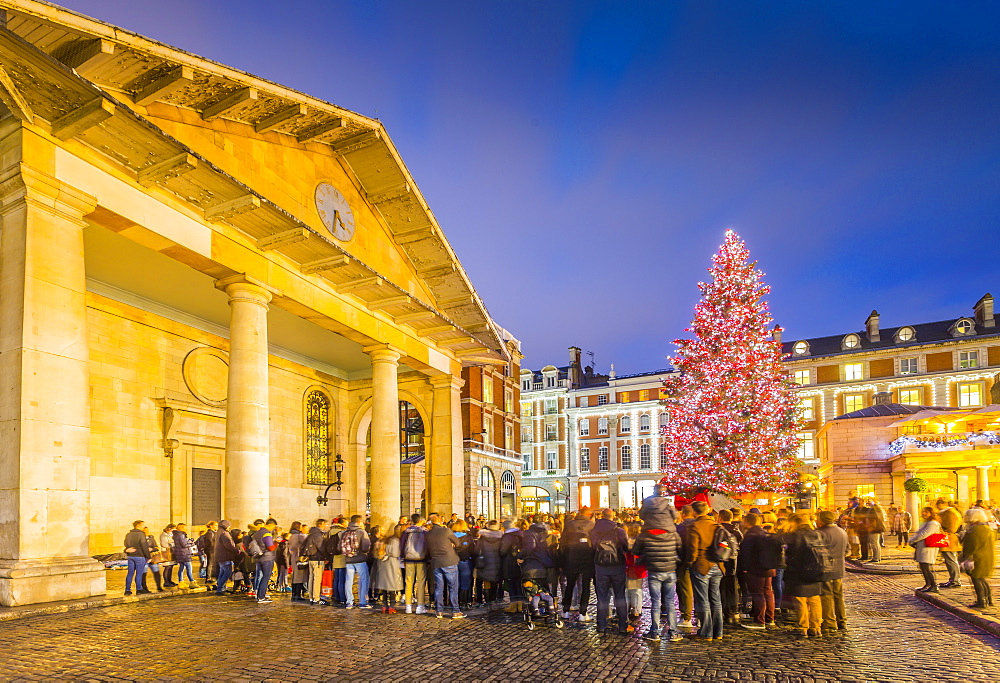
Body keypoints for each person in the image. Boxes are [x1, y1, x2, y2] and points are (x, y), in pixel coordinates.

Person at [632, 505, 683, 643]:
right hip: (670, 570)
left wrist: (645, 555)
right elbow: (681, 550)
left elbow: (636, 550)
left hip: (654, 570)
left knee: (655, 602)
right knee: (670, 602)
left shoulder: (645, 534)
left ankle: (654, 632)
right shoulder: (673, 533)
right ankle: (673, 631)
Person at [783, 514, 826, 638]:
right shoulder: (817, 534)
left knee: (800, 600)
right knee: (814, 600)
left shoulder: (796, 536)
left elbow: (791, 554)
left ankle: (803, 628)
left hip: (799, 571)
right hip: (816, 570)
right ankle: (816, 627)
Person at [687, 501, 724, 641]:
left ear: (694, 512)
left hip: (702, 564)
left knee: (703, 600)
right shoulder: (716, 525)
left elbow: (692, 550)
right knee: (716, 599)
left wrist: (689, 563)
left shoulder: (695, 526)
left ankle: (706, 633)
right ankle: (718, 632)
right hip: (718, 565)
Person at [590, 508, 630, 635]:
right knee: (620, 596)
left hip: (601, 567)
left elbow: (592, 548)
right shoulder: (620, 531)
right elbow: (626, 547)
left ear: (602, 516)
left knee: (602, 598)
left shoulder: (594, 532)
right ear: (613, 517)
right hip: (617, 566)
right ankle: (622, 625)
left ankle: (601, 625)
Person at [737, 512, 780, 630]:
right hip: (769, 567)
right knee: (768, 592)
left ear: (747, 521)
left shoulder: (750, 535)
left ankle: (759, 620)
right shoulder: (765, 533)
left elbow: (746, 554)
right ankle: (769, 618)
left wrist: (744, 568)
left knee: (758, 593)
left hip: (756, 569)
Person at [426, 512, 464, 619]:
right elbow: (457, 543)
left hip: (436, 562)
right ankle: (455, 611)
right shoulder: (446, 530)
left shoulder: (428, 533)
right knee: (453, 587)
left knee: (439, 588)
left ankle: (439, 611)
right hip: (449, 561)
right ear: (439, 520)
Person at [560, 509, 595, 622]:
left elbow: (562, 544)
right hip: (587, 559)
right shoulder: (591, 525)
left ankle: (565, 611)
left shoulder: (569, 525)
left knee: (570, 585)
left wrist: (564, 560)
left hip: (571, 559)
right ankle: (583, 613)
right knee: (585, 586)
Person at [816, 510, 848, 632]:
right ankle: (842, 620)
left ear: (822, 520)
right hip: (839, 568)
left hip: (825, 569)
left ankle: (829, 621)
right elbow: (847, 550)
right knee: (838, 596)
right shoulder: (842, 532)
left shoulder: (821, 533)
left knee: (827, 595)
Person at [960, 508, 995, 608]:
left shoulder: (975, 530)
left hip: (977, 557)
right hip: (984, 556)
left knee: (977, 578)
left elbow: (971, 545)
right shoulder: (985, 528)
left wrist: (965, 558)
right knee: (981, 578)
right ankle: (988, 599)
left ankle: (981, 601)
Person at [338, 514, 372, 609]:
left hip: (348, 560)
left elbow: (339, 547)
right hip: (360, 559)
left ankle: (349, 602)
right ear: (359, 522)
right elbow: (366, 547)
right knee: (364, 579)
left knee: (349, 581)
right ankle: (362, 601)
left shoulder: (344, 532)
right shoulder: (362, 532)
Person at [717, 509, 743, 625]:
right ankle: (731, 613)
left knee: (720, 588)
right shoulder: (736, 531)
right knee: (732, 588)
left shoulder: (718, 529)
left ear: (720, 517)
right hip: (733, 562)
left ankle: (721, 611)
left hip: (721, 562)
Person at [400, 514, 429, 613]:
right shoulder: (424, 531)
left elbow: (402, 545)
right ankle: (420, 606)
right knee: (421, 583)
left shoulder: (406, 531)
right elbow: (427, 546)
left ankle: (408, 606)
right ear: (420, 520)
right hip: (421, 558)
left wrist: (402, 558)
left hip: (409, 558)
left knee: (408, 582)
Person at [909, 507, 942, 594]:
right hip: (923, 547)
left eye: (926, 512)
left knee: (927, 567)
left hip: (928, 548)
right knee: (923, 567)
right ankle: (928, 584)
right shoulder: (927, 523)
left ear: (931, 513)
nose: (923, 513)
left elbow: (924, 534)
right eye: (923, 512)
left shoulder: (933, 523)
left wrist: (912, 540)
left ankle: (933, 585)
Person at [675, 505, 697, 628]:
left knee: (685, 591)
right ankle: (700, 617)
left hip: (683, 562)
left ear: (683, 514)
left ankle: (686, 617)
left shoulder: (679, 528)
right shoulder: (699, 526)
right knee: (700, 591)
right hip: (699, 562)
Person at [373, 524, 404, 613]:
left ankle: (384, 606)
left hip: (382, 564)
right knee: (392, 585)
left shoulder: (382, 540)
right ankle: (392, 606)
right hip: (391, 564)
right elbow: (395, 553)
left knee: (384, 586)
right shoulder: (394, 540)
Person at [935, 499, 964, 589]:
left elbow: (952, 527)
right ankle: (953, 579)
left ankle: (955, 580)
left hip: (949, 539)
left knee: (951, 560)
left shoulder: (950, 512)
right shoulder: (947, 512)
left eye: (938, 504)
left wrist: (943, 532)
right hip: (947, 538)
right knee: (950, 560)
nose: (937, 506)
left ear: (944, 503)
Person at [474, 520, 504, 606]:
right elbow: (503, 550)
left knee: (485, 580)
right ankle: (492, 599)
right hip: (497, 562)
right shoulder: (501, 537)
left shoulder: (483, 537)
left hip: (484, 562)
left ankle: (486, 600)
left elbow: (476, 551)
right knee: (495, 581)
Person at [251, 518, 279, 604]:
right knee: (265, 577)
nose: (273, 528)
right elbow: (270, 547)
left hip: (258, 557)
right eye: (274, 526)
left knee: (260, 576)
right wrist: (276, 543)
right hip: (267, 558)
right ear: (270, 525)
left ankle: (259, 594)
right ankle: (261, 597)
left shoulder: (257, 533)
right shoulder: (266, 533)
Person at [302, 519, 330, 605]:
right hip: (318, 559)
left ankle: (312, 596)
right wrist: (327, 557)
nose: (327, 526)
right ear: (321, 524)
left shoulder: (311, 534)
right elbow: (321, 547)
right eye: (325, 524)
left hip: (311, 559)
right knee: (317, 579)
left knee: (311, 578)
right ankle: (316, 598)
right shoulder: (318, 535)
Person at [500, 519, 525, 613]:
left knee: (511, 584)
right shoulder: (520, 533)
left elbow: (503, 550)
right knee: (518, 583)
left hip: (510, 562)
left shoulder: (508, 536)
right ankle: (520, 605)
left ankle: (513, 606)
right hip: (520, 562)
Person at [451, 520, 475, 609]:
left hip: (453, 561)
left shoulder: (450, 537)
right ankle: (464, 601)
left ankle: (455, 601)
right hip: (465, 561)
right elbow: (473, 550)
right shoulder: (468, 537)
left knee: (454, 582)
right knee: (465, 582)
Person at [123, 520, 151, 596]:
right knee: (139, 573)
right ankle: (139, 589)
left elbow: (126, 544)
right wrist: (148, 556)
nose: (144, 526)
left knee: (130, 573)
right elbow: (144, 545)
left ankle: (127, 590)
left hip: (131, 556)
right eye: (143, 525)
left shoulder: (128, 534)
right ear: (138, 525)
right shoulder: (141, 534)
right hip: (139, 555)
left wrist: (128, 550)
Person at [213, 520, 238, 595]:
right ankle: (220, 588)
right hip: (225, 556)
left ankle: (221, 587)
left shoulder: (219, 532)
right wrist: (236, 551)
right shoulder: (224, 533)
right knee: (227, 572)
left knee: (222, 572)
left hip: (220, 556)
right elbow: (228, 545)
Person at [286, 521, 308, 601]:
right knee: (299, 577)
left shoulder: (291, 535)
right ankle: (297, 595)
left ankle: (294, 594)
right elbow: (306, 543)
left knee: (295, 576)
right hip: (299, 557)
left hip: (293, 557)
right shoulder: (300, 536)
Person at [172, 523, 195, 588]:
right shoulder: (181, 535)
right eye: (184, 527)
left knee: (181, 568)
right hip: (184, 554)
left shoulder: (175, 535)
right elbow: (184, 545)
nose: (185, 529)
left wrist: (188, 541)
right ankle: (192, 581)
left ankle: (181, 581)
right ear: (181, 528)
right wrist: (192, 544)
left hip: (179, 553)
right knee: (189, 568)